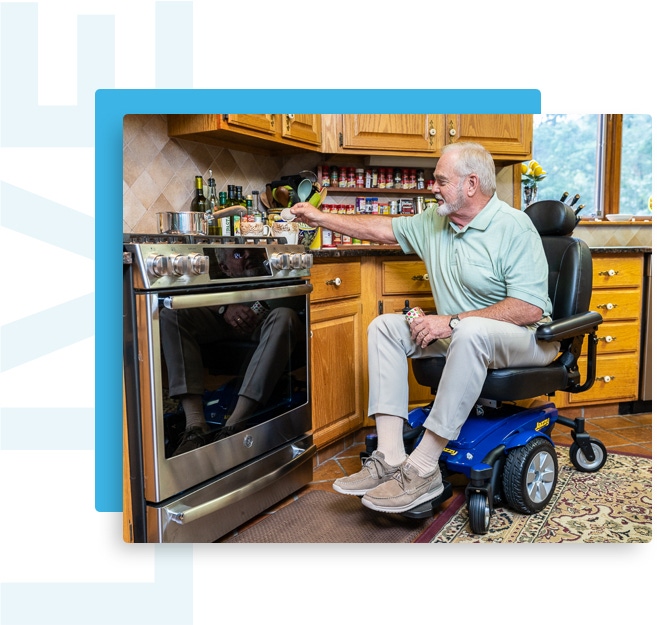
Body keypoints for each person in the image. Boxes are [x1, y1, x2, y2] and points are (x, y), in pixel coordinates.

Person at [290, 142, 559, 514]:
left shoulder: (514, 227)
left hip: (527, 339)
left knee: (471, 331)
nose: (431, 187)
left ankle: (423, 468)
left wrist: (449, 321)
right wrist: (321, 218)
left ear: (470, 184)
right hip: (464, 335)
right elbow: (382, 228)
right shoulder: (436, 220)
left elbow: (529, 309)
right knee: (386, 326)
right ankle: (390, 456)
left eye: (440, 180)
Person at [160, 247, 303, 456]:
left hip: (267, 318)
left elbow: (296, 293)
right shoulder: (205, 266)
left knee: (285, 316)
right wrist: (224, 308)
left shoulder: (273, 262)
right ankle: (195, 426)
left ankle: (234, 426)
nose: (248, 256)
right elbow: (186, 291)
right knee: (171, 314)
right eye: (238, 254)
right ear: (225, 268)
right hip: (222, 319)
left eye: (252, 252)